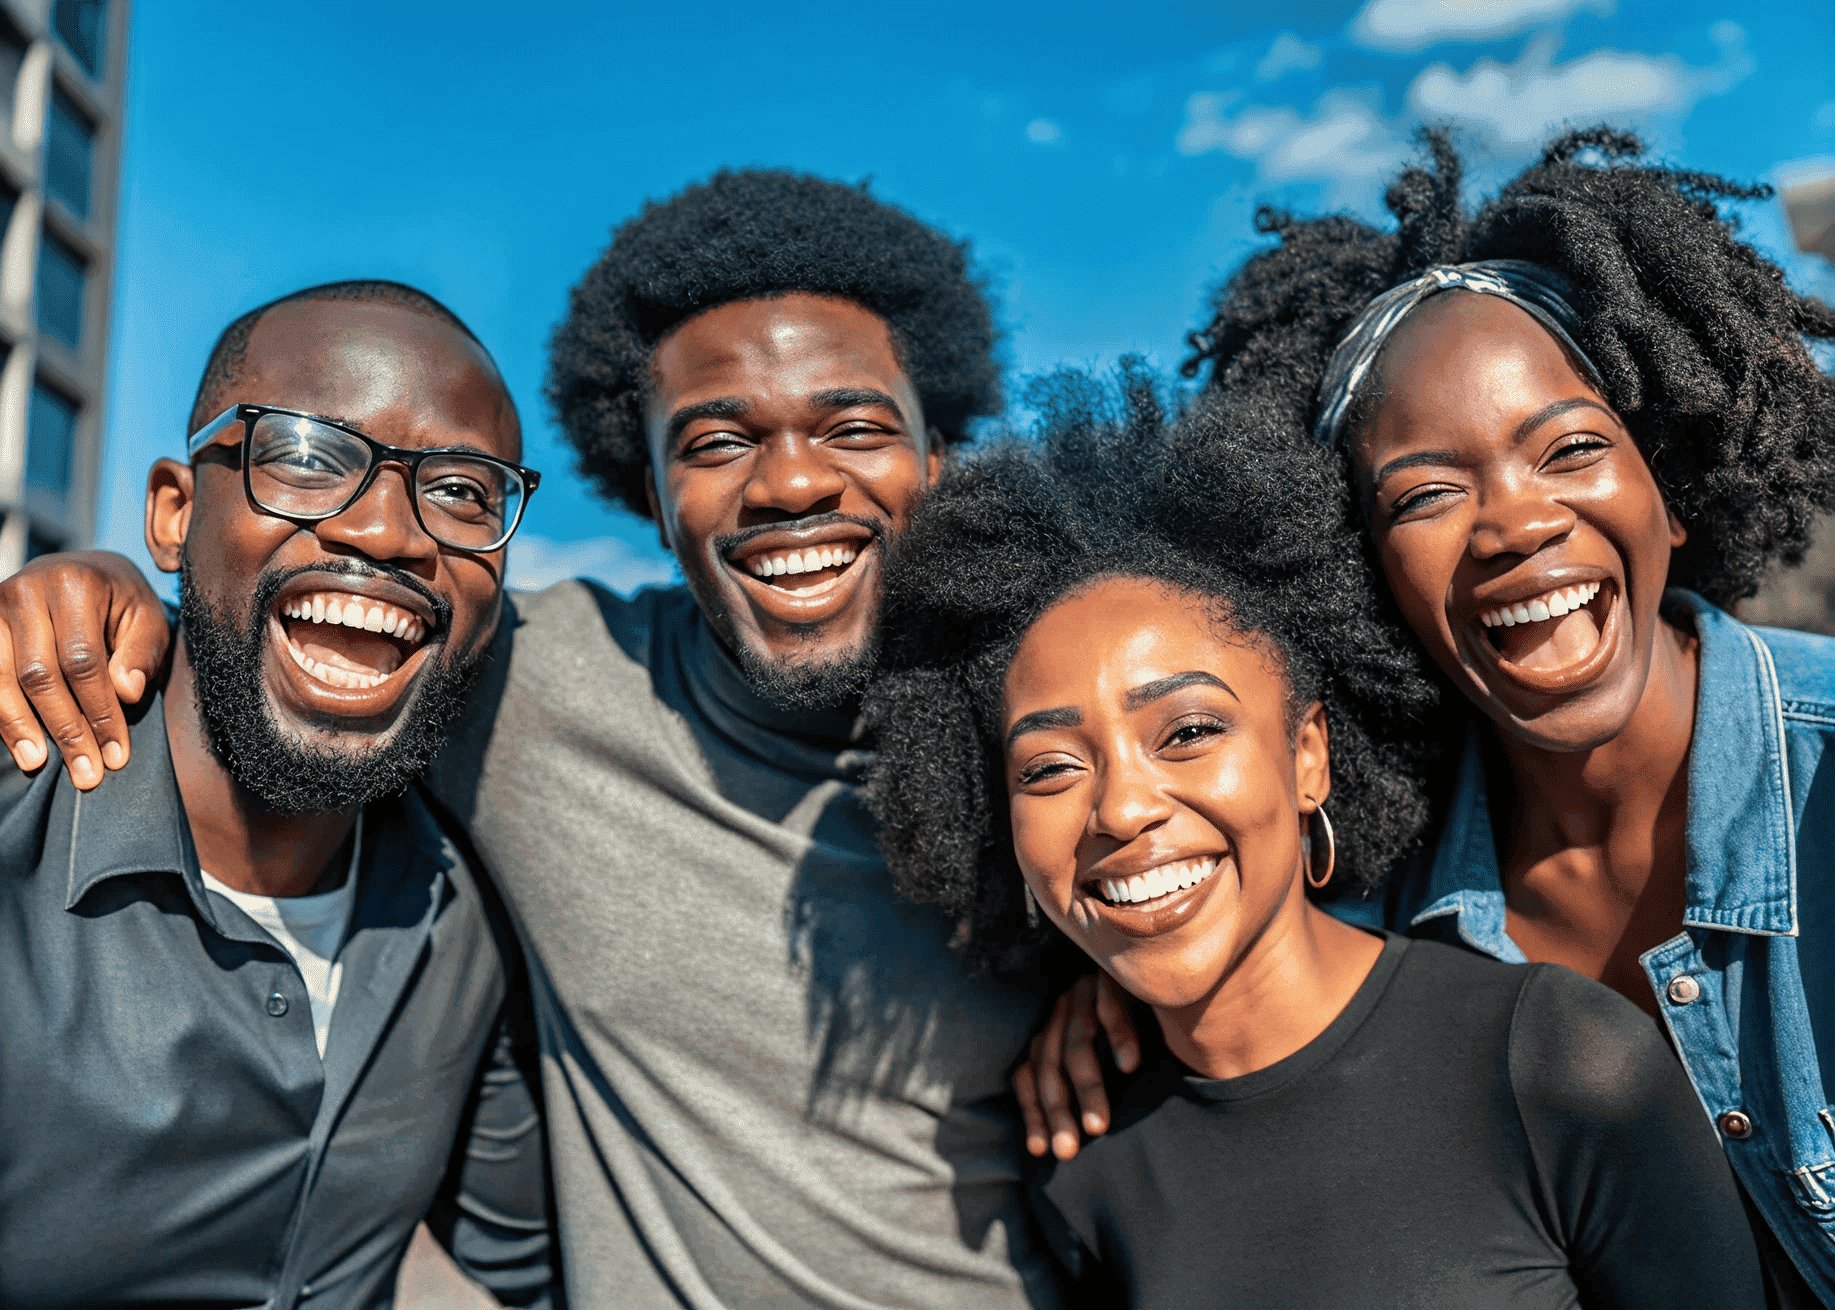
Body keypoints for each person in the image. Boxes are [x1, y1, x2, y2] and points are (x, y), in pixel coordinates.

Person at [0, 171, 1061, 1308]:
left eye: (853, 427)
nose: (794, 480)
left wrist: (1125, 976)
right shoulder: (529, 683)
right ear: (652, 498)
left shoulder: (1055, 737)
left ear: (938, 460)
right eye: (715, 441)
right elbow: (267, 621)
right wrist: (94, 595)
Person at [1024, 128, 1835, 1304]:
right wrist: (1128, 984)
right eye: (1425, 494)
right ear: (1361, 573)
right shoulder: (1373, 896)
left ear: (1669, 486)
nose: (1514, 524)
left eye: (1568, 447)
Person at [862, 370, 1765, 1307]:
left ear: (1307, 756)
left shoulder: (1557, 1060)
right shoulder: (1079, 1171)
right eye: (1049, 769)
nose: (1121, 810)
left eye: (1187, 732)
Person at [0, 281, 555, 1308]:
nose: (387, 532)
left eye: (462, 491)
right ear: (174, 514)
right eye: (305, 455)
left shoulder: (463, 923)